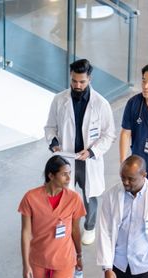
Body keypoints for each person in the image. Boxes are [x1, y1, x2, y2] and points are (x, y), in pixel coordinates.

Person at [44, 58, 116, 245]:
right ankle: (65, 226)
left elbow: (109, 135)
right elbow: (50, 126)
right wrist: (54, 143)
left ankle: (89, 227)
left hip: (88, 160)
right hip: (66, 158)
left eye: (82, 81)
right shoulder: (59, 100)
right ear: (70, 76)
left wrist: (92, 152)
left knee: (89, 197)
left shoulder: (101, 104)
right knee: (64, 195)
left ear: (89, 79)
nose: (77, 85)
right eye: (74, 81)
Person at [19, 155, 86, 278]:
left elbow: (75, 230)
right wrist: (26, 265)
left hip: (64, 259)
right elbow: (25, 233)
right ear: (51, 175)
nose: (69, 178)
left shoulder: (74, 199)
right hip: (39, 260)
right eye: (64, 174)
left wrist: (79, 255)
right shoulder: (31, 198)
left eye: (69, 173)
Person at [120, 64, 148, 183]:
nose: (145, 86)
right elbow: (125, 133)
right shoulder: (134, 103)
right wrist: (123, 162)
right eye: (143, 81)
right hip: (139, 166)